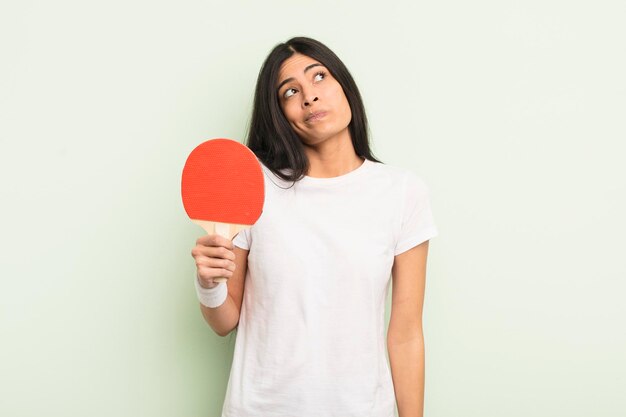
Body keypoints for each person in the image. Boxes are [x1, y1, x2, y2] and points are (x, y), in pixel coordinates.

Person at [190, 37, 439, 417]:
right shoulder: (255, 187)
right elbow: (226, 321)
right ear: (280, 113)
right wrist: (209, 284)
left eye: (319, 76)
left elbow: (405, 335)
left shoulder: (402, 192)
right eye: (291, 91)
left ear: (345, 86)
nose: (309, 96)